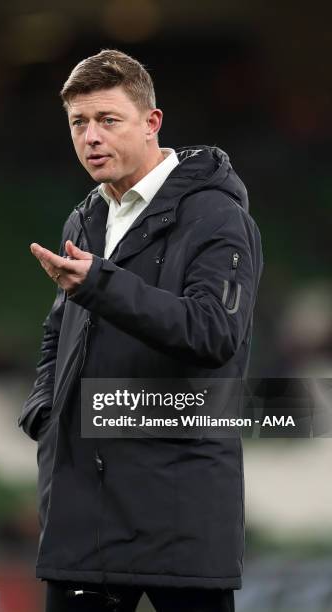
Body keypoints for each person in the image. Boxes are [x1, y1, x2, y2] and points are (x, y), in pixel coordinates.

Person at [18, 49, 263, 612]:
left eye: (108, 120)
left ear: (152, 123)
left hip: (179, 506)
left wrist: (100, 283)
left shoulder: (217, 216)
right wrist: (45, 413)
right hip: (85, 513)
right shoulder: (85, 218)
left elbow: (212, 333)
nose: (90, 138)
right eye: (79, 123)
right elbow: (60, 330)